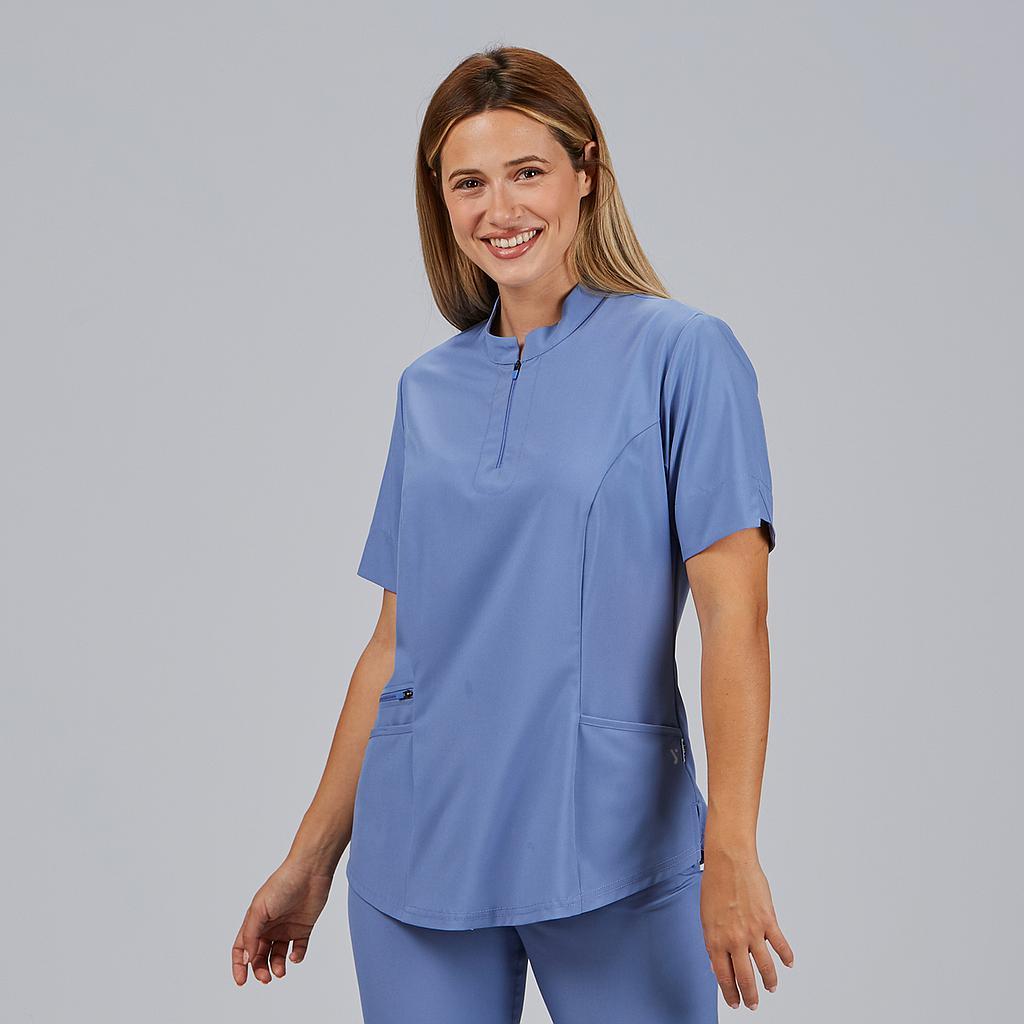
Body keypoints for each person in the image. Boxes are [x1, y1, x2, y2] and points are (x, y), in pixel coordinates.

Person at [231, 45, 795, 1022]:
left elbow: (733, 617)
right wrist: (311, 856)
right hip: (416, 859)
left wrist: (733, 848)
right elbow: (393, 647)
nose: (501, 209)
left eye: (526, 171)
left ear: (586, 171)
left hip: (614, 847)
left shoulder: (683, 356)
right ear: (441, 202)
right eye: (469, 183)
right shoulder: (427, 390)